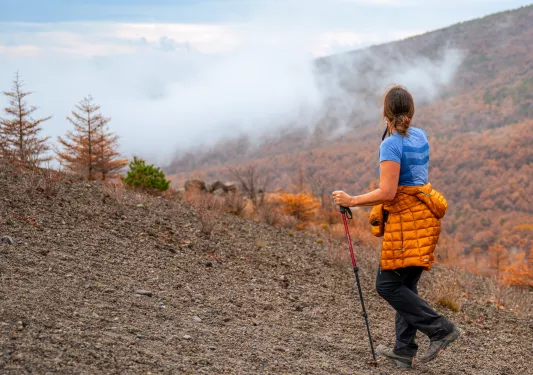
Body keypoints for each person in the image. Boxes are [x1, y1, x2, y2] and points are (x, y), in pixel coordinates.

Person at [332, 85, 460, 369]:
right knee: (406, 286)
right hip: (425, 218)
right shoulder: (420, 135)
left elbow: (388, 192)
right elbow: (411, 181)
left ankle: (441, 328)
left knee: (387, 285)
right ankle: (404, 350)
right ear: (411, 112)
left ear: (385, 114)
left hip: (406, 225)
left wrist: (352, 200)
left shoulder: (390, 144)